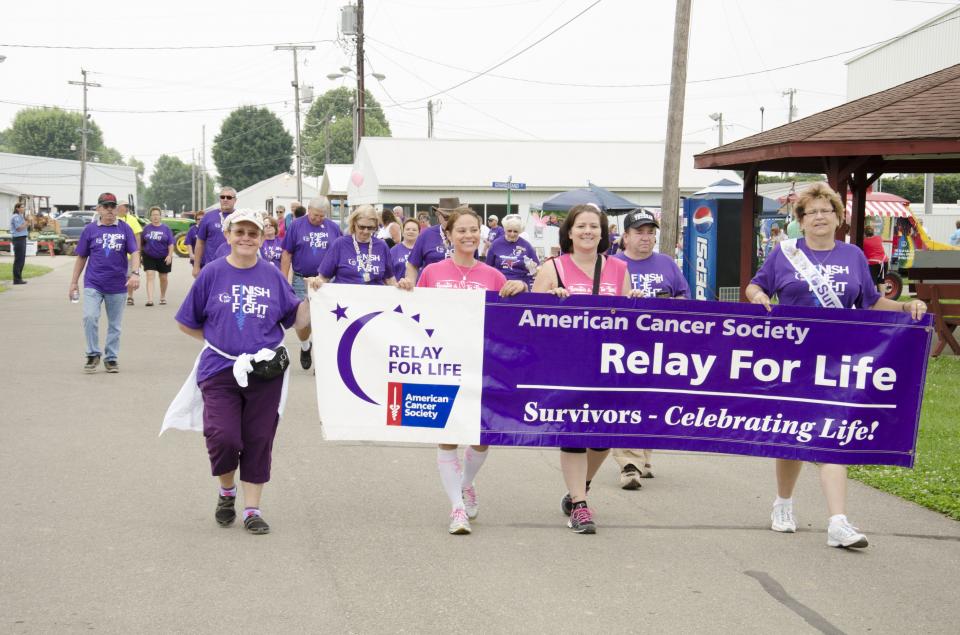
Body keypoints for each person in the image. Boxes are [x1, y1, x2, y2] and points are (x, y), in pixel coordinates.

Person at [745, 182, 927, 550]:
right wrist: (760, 295)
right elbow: (754, 286)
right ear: (801, 220)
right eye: (811, 212)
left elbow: (872, 302)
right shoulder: (784, 255)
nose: (819, 217)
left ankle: (837, 522)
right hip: (792, 359)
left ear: (837, 217)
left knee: (832, 434)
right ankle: (783, 504)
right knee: (792, 434)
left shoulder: (854, 256)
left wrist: (907, 308)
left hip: (839, 360)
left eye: (826, 210)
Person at [175, 208, 312, 535]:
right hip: (219, 370)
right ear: (228, 236)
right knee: (223, 436)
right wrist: (218, 342)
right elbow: (186, 321)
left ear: (263, 238)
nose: (246, 238)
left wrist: (315, 298)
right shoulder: (212, 273)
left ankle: (252, 509)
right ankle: (226, 492)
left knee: (259, 438)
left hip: (265, 373)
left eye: (253, 233)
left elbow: (299, 324)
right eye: (240, 232)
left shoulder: (272, 276)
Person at [397, 207, 525, 534]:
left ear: (481, 233)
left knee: (481, 438)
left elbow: (511, 321)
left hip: (483, 365)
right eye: (461, 230)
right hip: (442, 363)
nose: (468, 235)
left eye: (473, 230)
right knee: (448, 437)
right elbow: (417, 314)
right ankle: (457, 508)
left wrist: (519, 290)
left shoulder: (493, 275)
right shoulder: (432, 272)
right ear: (449, 235)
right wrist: (407, 290)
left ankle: (466, 483)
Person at [531, 204, 630, 534]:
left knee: (602, 439)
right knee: (574, 434)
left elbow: (631, 320)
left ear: (603, 232)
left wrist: (637, 303)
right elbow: (529, 320)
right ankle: (581, 506)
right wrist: (552, 302)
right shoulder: (552, 268)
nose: (588, 231)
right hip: (567, 365)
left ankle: (579, 488)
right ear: (569, 232)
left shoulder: (617, 268)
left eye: (594, 226)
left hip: (607, 365)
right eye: (581, 226)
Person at [611, 208, 690, 489]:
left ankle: (643, 456)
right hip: (621, 347)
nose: (646, 238)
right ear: (626, 236)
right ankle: (628, 463)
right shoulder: (612, 264)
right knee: (626, 401)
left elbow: (684, 297)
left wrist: (670, 304)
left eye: (650, 232)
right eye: (639, 232)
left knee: (651, 402)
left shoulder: (667, 264)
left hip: (659, 347)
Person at [68, 193, 141, 373]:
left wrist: (135, 273)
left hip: (117, 285)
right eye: (105, 206)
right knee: (90, 317)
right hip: (94, 283)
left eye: (112, 206)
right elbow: (81, 257)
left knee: (115, 325)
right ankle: (93, 354)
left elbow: (135, 252)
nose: (109, 209)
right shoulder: (90, 230)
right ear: (98, 209)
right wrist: (73, 282)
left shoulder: (124, 229)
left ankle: (111, 358)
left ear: (116, 209)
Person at [281, 196, 342, 370]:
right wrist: (284, 280)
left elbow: (341, 250)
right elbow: (286, 254)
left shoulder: (333, 228)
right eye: (315, 215)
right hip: (302, 279)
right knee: (302, 321)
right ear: (309, 210)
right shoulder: (296, 226)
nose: (318, 219)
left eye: (322, 216)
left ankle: (321, 361)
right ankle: (305, 345)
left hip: (326, 280)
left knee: (324, 319)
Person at [316, 205, 396, 286]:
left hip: (374, 297)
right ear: (354, 223)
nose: (365, 231)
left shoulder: (381, 246)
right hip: (345, 296)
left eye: (370, 228)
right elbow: (323, 277)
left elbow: (389, 279)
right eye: (361, 227)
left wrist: (400, 287)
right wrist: (317, 282)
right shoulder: (340, 244)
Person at [403, 197, 461, 285]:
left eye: (454, 217)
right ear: (438, 215)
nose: (450, 220)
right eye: (446, 217)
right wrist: (410, 284)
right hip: (431, 291)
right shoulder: (426, 235)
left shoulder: (467, 237)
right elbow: (413, 265)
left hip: (460, 290)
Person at [192, 186, 238, 278]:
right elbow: (200, 243)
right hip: (211, 267)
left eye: (229, 197)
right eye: (222, 197)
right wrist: (196, 266)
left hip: (235, 266)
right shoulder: (208, 217)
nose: (225, 199)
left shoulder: (240, 217)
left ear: (235, 200)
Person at [485, 213, 539, 287]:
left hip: (521, 286)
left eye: (515, 231)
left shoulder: (526, 245)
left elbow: (536, 272)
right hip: (500, 284)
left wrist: (532, 268)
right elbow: (488, 268)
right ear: (505, 230)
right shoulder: (496, 244)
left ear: (519, 231)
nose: (512, 234)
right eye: (509, 231)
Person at [141, 206, 174, 306]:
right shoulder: (146, 229)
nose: (155, 217)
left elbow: (171, 244)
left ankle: (162, 297)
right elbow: (141, 243)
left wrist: (169, 255)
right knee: (150, 275)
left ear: (160, 216)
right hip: (149, 255)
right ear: (150, 217)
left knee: (163, 277)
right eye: (153, 215)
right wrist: (140, 256)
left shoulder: (166, 229)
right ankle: (150, 299)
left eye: (157, 215)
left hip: (163, 256)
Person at [116, 202, 142, 306]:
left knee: (129, 276)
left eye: (127, 207)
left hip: (130, 254)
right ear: (118, 207)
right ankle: (118, 295)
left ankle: (130, 297)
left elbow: (137, 236)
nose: (126, 208)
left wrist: (138, 251)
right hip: (116, 254)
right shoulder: (114, 218)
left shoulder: (132, 219)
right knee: (118, 276)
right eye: (124, 206)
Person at [9, 202, 29, 285]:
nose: (23, 208)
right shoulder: (15, 217)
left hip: (23, 238)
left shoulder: (21, 217)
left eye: (24, 207)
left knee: (22, 259)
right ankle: (16, 279)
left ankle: (19, 278)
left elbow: (26, 226)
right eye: (22, 207)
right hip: (18, 239)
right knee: (18, 260)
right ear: (17, 208)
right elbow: (19, 228)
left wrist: (29, 221)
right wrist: (27, 222)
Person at [862, 225, 888, 289]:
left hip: (873, 263)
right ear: (873, 232)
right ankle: (882, 297)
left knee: (873, 282)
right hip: (884, 261)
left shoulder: (864, 241)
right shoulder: (879, 238)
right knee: (881, 282)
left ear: (865, 233)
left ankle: (874, 298)